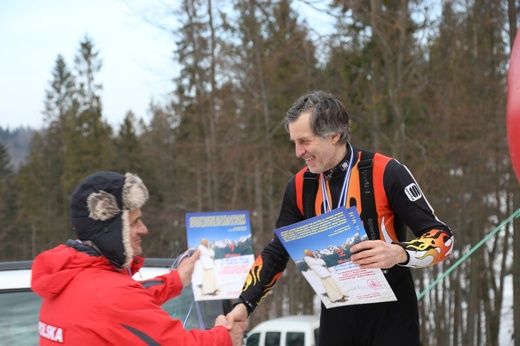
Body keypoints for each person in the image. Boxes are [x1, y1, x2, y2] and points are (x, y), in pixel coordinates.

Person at [227, 90, 454, 345]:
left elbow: (443, 238)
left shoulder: (385, 171)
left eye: (304, 141)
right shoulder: (301, 186)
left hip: (391, 317)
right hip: (337, 316)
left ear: (334, 135)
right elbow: (277, 252)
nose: (298, 152)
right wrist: (245, 303)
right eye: (294, 142)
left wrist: (399, 253)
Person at [31, 171, 246, 345]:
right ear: (111, 230)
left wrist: (176, 279)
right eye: (134, 223)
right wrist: (223, 337)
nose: (144, 229)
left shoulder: (67, 278)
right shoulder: (108, 296)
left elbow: (128, 301)